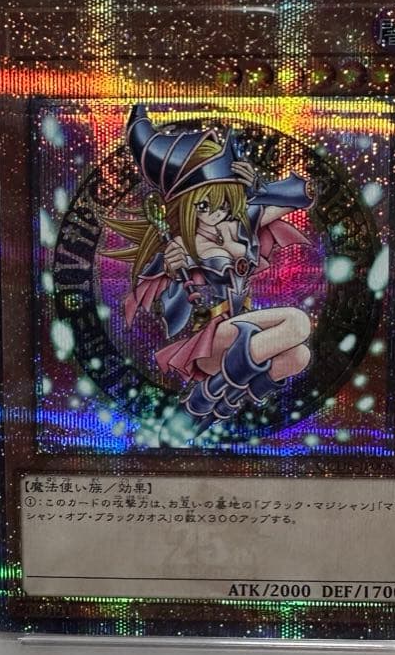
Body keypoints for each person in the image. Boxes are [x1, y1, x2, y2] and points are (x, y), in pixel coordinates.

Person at [104, 104, 314, 441]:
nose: (217, 212)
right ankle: (203, 398)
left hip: (241, 341)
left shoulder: (241, 225)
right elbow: (165, 300)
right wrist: (172, 269)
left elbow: (302, 196)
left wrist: (258, 187)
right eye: (204, 205)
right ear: (186, 208)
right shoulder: (180, 246)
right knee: (298, 322)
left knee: (299, 356)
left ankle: (213, 407)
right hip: (211, 339)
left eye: (224, 202)